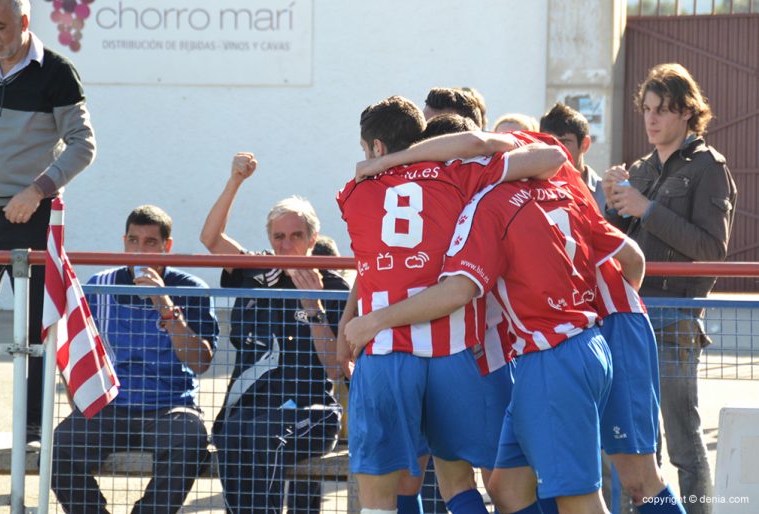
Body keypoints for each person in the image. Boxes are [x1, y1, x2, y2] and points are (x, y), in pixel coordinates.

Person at [337, 95, 567, 514]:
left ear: (375, 148)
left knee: (380, 492)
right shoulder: (459, 175)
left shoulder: (352, 192)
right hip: (457, 350)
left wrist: (349, 322)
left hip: (386, 352)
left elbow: (371, 264)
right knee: (492, 480)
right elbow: (550, 158)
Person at [603, 63, 737, 514]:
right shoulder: (639, 169)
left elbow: (711, 249)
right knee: (641, 440)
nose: (651, 119)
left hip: (677, 314)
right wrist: (611, 203)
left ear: (686, 113)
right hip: (632, 313)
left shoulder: (708, 168)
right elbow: (612, 243)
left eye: (662, 110)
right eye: (646, 109)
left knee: (682, 438)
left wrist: (646, 208)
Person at [200, 152, 348, 514]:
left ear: (312, 239)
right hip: (251, 406)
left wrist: (313, 307)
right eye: (278, 236)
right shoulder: (256, 272)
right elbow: (211, 239)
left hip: (311, 410)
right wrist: (235, 181)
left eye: (296, 236)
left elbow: (335, 367)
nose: (286, 245)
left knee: (263, 435)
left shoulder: (334, 285)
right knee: (232, 434)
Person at [51, 205, 218, 514]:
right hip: (112, 403)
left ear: (167, 247)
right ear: (123, 242)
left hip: (170, 404)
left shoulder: (192, 289)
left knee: (191, 439)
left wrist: (165, 305)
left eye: (150, 243)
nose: (140, 251)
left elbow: (200, 362)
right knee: (57, 448)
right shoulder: (100, 285)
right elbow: (75, 352)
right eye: (133, 241)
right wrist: (83, 399)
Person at [0, 0, 96, 443]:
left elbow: (83, 145)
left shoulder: (57, 71)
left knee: (34, 329)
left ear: (25, 24)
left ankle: (32, 432)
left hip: (31, 214)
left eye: (0, 25)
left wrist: (36, 191)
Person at [540, 102, 606, 210]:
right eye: (549, 142)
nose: (556, 150)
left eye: (565, 143)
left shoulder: (606, 194)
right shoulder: (533, 192)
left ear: (585, 144)